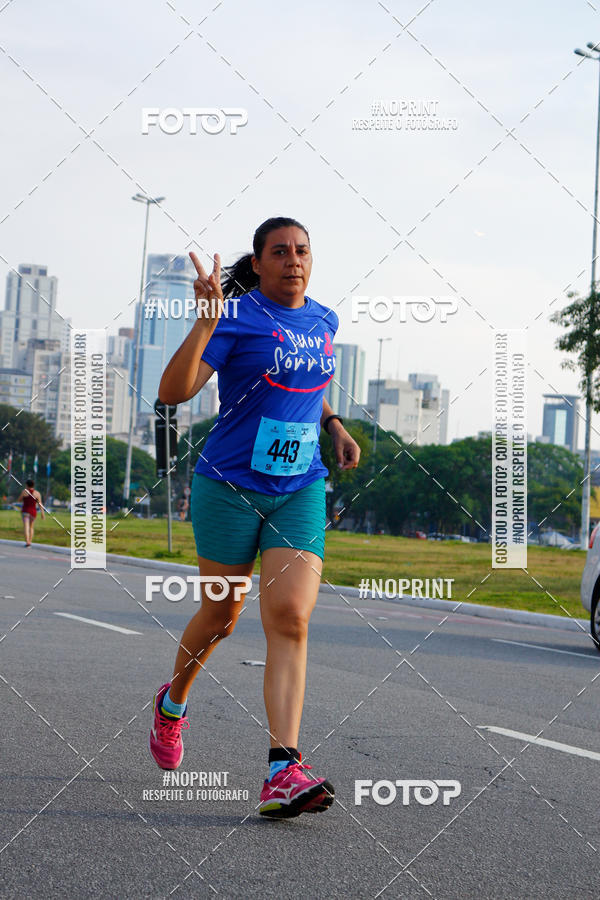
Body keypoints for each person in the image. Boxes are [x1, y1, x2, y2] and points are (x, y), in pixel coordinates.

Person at [150, 217, 361, 818]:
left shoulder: (324, 320)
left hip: (300, 487)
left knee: (291, 617)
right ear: (260, 262)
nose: (294, 260)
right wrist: (205, 321)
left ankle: (282, 769)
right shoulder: (235, 318)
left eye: (302, 250)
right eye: (281, 251)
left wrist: (333, 424)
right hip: (229, 486)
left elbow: (305, 382)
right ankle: (172, 704)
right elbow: (173, 392)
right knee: (221, 616)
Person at [17, 478, 45, 547]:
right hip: (33, 512)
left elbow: (19, 500)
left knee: (26, 527)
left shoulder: (24, 491)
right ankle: (30, 541)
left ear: (27, 485)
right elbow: (40, 504)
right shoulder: (37, 493)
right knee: (31, 527)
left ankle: (27, 542)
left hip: (25, 511)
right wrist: (42, 513)